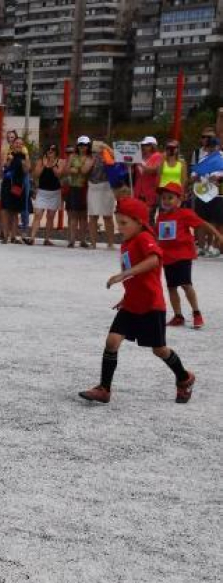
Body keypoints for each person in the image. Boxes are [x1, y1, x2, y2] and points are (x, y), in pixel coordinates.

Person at [79, 197, 195, 405]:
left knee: (159, 350)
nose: (120, 227)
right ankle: (104, 389)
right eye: (118, 222)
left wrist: (123, 275)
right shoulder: (127, 243)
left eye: (124, 223)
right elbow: (135, 278)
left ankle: (184, 378)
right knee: (112, 341)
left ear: (140, 222)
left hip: (151, 305)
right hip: (132, 304)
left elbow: (154, 260)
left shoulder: (143, 238)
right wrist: (125, 297)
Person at [155, 182, 223, 330]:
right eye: (164, 198)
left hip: (183, 256)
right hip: (167, 257)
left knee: (186, 285)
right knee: (171, 287)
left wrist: (218, 234)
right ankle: (178, 316)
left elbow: (203, 224)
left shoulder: (185, 214)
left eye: (170, 198)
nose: (166, 201)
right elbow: (158, 236)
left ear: (179, 200)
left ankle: (196, 313)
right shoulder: (160, 217)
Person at [189, 127, 222, 256]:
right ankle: (201, 247)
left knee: (215, 220)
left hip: (216, 192)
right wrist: (194, 177)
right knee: (200, 220)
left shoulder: (221, 157)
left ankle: (212, 246)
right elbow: (193, 171)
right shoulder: (200, 156)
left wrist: (219, 178)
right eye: (210, 145)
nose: (212, 147)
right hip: (201, 191)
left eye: (214, 145)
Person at [25, 144, 63, 246]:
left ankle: (47, 239)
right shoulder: (41, 161)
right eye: (49, 149)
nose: (50, 151)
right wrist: (44, 164)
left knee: (50, 216)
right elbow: (35, 175)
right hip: (42, 191)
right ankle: (32, 238)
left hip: (55, 192)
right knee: (38, 214)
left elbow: (59, 174)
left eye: (53, 150)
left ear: (56, 151)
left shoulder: (60, 161)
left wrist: (51, 164)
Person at [84, 141, 117, 249]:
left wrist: (106, 148)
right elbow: (84, 171)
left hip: (106, 186)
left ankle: (110, 243)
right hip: (93, 186)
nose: (95, 152)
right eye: (94, 150)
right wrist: (91, 160)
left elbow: (118, 157)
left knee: (107, 215)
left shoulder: (108, 155)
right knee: (93, 216)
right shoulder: (89, 157)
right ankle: (93, 243)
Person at [0, 138, 29, 244]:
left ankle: (13, 236)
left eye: (21, 144)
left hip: (18, 185)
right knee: (5, 210)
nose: (18, 145)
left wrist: (25, 160)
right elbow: (3, 168)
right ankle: (5, 235)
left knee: (15, 211)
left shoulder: (24, 156)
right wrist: (9, 160)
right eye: (17, 143)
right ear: (13, 144)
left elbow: (26, 170)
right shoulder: (8, 154)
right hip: (7, 184)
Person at [65, 136, 92, 248]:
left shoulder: (90, 158)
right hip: (73, 187)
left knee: (83, 215)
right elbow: (66, 169)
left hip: (84, 188)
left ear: (88, 146)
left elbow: (85, 170)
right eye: (80, 145)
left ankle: (83, 240)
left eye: (85, 145)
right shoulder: (72, 156)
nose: (82, 147)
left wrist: (74, 169)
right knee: (72, 215)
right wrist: (76, 169)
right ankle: (71, 239)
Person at [134, 135, 163, 225]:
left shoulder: (158, 156)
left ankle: (150, 236)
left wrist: (139, 162)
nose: (144, 147)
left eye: (147, 145)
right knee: (139, 216)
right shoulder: (139, 157)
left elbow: (152, 170)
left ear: (152, 146)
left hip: (151, 191)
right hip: (139, 191)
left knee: (149, 216)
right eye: (143, 145)